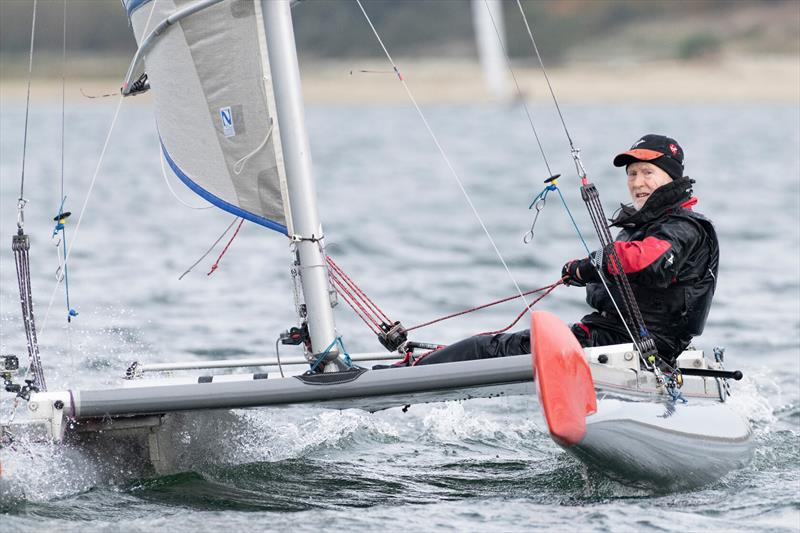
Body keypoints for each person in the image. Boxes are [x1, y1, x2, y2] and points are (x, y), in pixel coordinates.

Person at [412, 134, 719, 367]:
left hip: (634, 347)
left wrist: (590, 266)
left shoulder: (684, 227)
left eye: (647, 173)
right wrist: (588, 272)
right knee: (498, 344)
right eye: (632, 174)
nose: (637, 182)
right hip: (617, 341)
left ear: (671, 177)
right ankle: (416, 367)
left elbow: (645, 261)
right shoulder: (643, 226)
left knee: (486, 349)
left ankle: (410, 372)